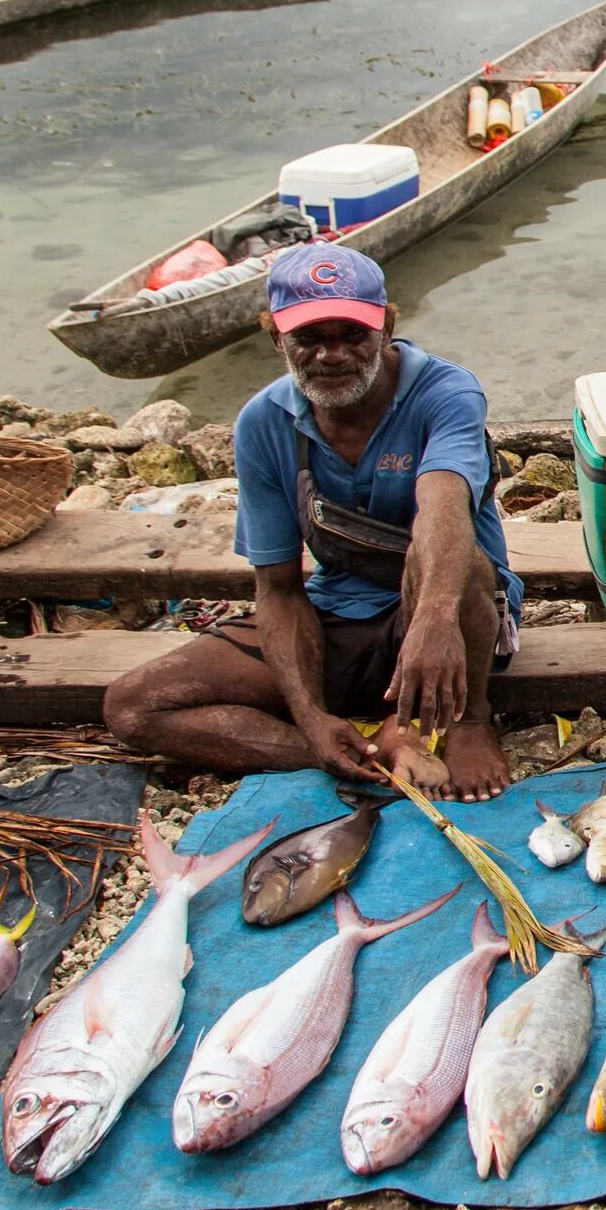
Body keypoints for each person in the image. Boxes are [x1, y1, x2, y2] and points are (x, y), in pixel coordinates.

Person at [102, 245, 521, 800]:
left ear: (387, 326)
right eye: (309, 338)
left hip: (453, 619)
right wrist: (310, 718)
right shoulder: (263, 422)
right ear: (277, 338)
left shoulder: (444, 392)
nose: (332, 354)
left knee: (450, 549)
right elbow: (277, 587)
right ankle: (366, 755)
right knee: (134, 706)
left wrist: (434, 623)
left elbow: (443, 504)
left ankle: (467, 719)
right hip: (338, 616)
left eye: (352, 334)